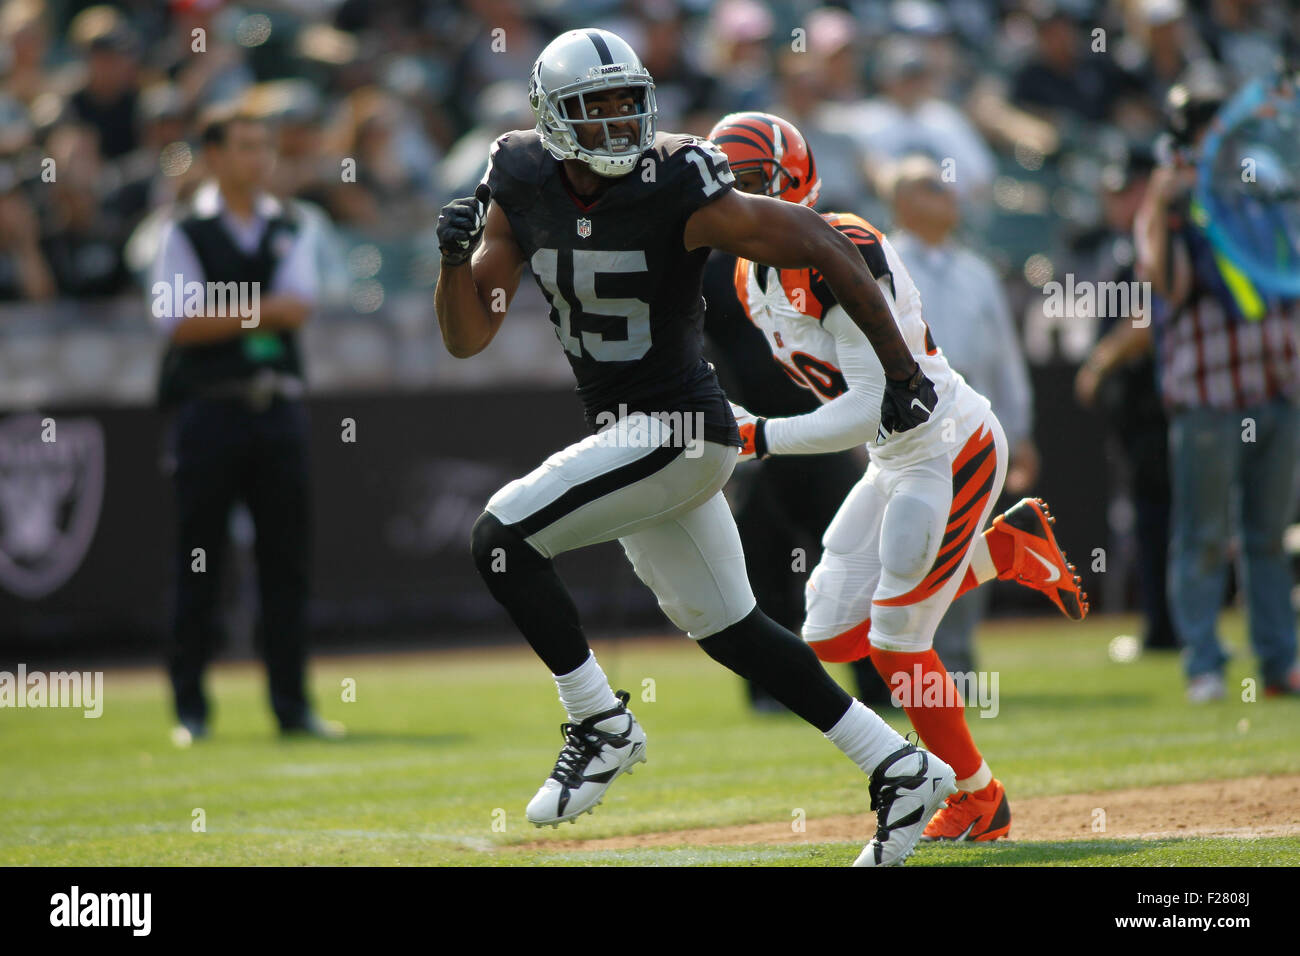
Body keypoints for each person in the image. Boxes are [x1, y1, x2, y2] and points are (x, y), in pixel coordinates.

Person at [435, 28, 955, 868]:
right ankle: (898, 766)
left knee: (500, 540)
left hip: (678, 428)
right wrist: (454, 263)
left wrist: (898, 370)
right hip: (633, 435)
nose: (615, 125)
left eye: (625, 104)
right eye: (592, 109)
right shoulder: (521, 175)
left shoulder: (677, 177)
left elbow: (820, 239)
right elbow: (468, 334)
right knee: (737, 632)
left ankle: (599, 722)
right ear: (551, 116)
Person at [708, 111, 1088, 843]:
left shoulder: (838, 250)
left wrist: (755, 434)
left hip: (946, 446)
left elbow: (858, 410)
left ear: (792, 182)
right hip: (893, 458)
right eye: (726, 185)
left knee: (896, 640)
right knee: (824, 634)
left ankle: (979, 798)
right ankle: (1006, 552)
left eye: (752, 184)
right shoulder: (748, 274)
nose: (737, 201)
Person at [152, 106, 341, 744]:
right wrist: (260, 309)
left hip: (277, 407)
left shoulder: (291, 222)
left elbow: (302, 306)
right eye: (244, 146)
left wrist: (225, 307)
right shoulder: (183, 228)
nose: (259, 157)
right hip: (209, 410)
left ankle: (292, 705)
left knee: (285, 562)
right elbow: (176, 320)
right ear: (212, 155)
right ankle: (190, 709)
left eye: (265, 146)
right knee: (197, 562)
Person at [1134, 70, 1300, 701]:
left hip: (1278, 387)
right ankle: (1203, 664)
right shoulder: (1170, 202)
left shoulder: (1259, 185)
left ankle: (1279, 663)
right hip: (1208, 397)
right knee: (1203, 535)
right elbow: (1166, 284)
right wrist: (1168, 206)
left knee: (1268, 537)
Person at [886, 154, 1038, 676]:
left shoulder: (976, 271)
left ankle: (957, 665)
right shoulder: (878, 262)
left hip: (971, 422)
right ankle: (906, 665)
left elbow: (1004, 358)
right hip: (905, 425)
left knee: (964, 541)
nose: (949, 197)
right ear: (903, 202)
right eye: (932, 188)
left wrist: (1019, 432)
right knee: (906, 547)